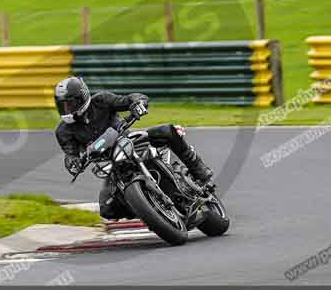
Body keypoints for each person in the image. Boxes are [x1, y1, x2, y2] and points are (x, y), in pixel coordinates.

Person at [53, 76, 214, 220]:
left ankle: (199, 169)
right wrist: (73, 163)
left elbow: (127, 99)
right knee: (107, 209)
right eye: (62, 106)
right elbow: (71, 154)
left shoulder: (101, 100)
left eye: (70, 104)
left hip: (130, 141)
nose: (66, 110)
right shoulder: (63, 131)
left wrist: (138, 103)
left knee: (167, 131)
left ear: (82, 97)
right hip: (111, 164)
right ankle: (149, 210)